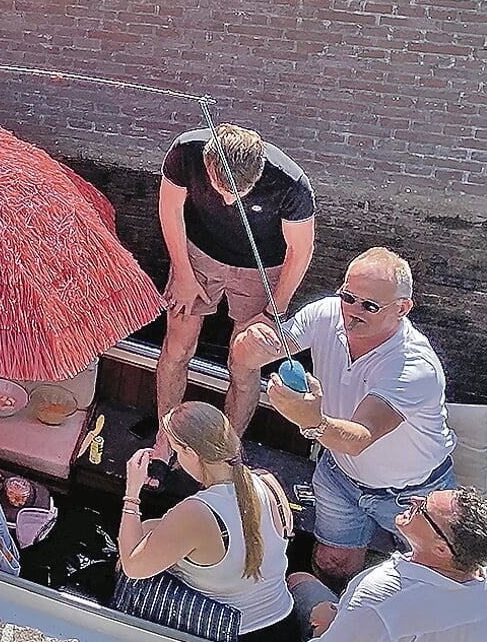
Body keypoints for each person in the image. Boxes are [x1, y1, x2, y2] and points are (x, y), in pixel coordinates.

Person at [235, 248, 458, 588]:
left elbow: (359, 436)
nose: (352, 311)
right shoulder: (326, 313)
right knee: (333, 563)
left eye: (369, 305)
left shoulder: (414, 366)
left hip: (417, 495)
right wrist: (249, 341)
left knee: (433, 581)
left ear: (402, 308)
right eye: (348, 297)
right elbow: (252, 356)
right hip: (340, 477)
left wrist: (312, 421)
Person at [156, 124, 316, 457]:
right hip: (198, 254)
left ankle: (226, 454)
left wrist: (275, 311)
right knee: (177, 347)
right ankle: (166, 438)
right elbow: (171, 209)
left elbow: (300, 251)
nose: (229, 199)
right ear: (208, 161)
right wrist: (184, 275)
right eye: (220, 187)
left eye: (239, 192)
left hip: (261, 270)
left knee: (243, 365)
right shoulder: (187, 150)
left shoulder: (291, 184)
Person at [117, 402, 302, 640]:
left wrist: (132, 493)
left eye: (175, 452)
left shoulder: (196, 512)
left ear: (191, 454)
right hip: (284, 622)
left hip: (229, 632)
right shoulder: (268, 482)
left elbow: (134, 567)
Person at [289, 486, 487, 641]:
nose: (414, 499)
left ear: (441, 549)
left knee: (299, 580)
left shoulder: (380, 596)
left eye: (423, 508)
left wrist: (323, 629)